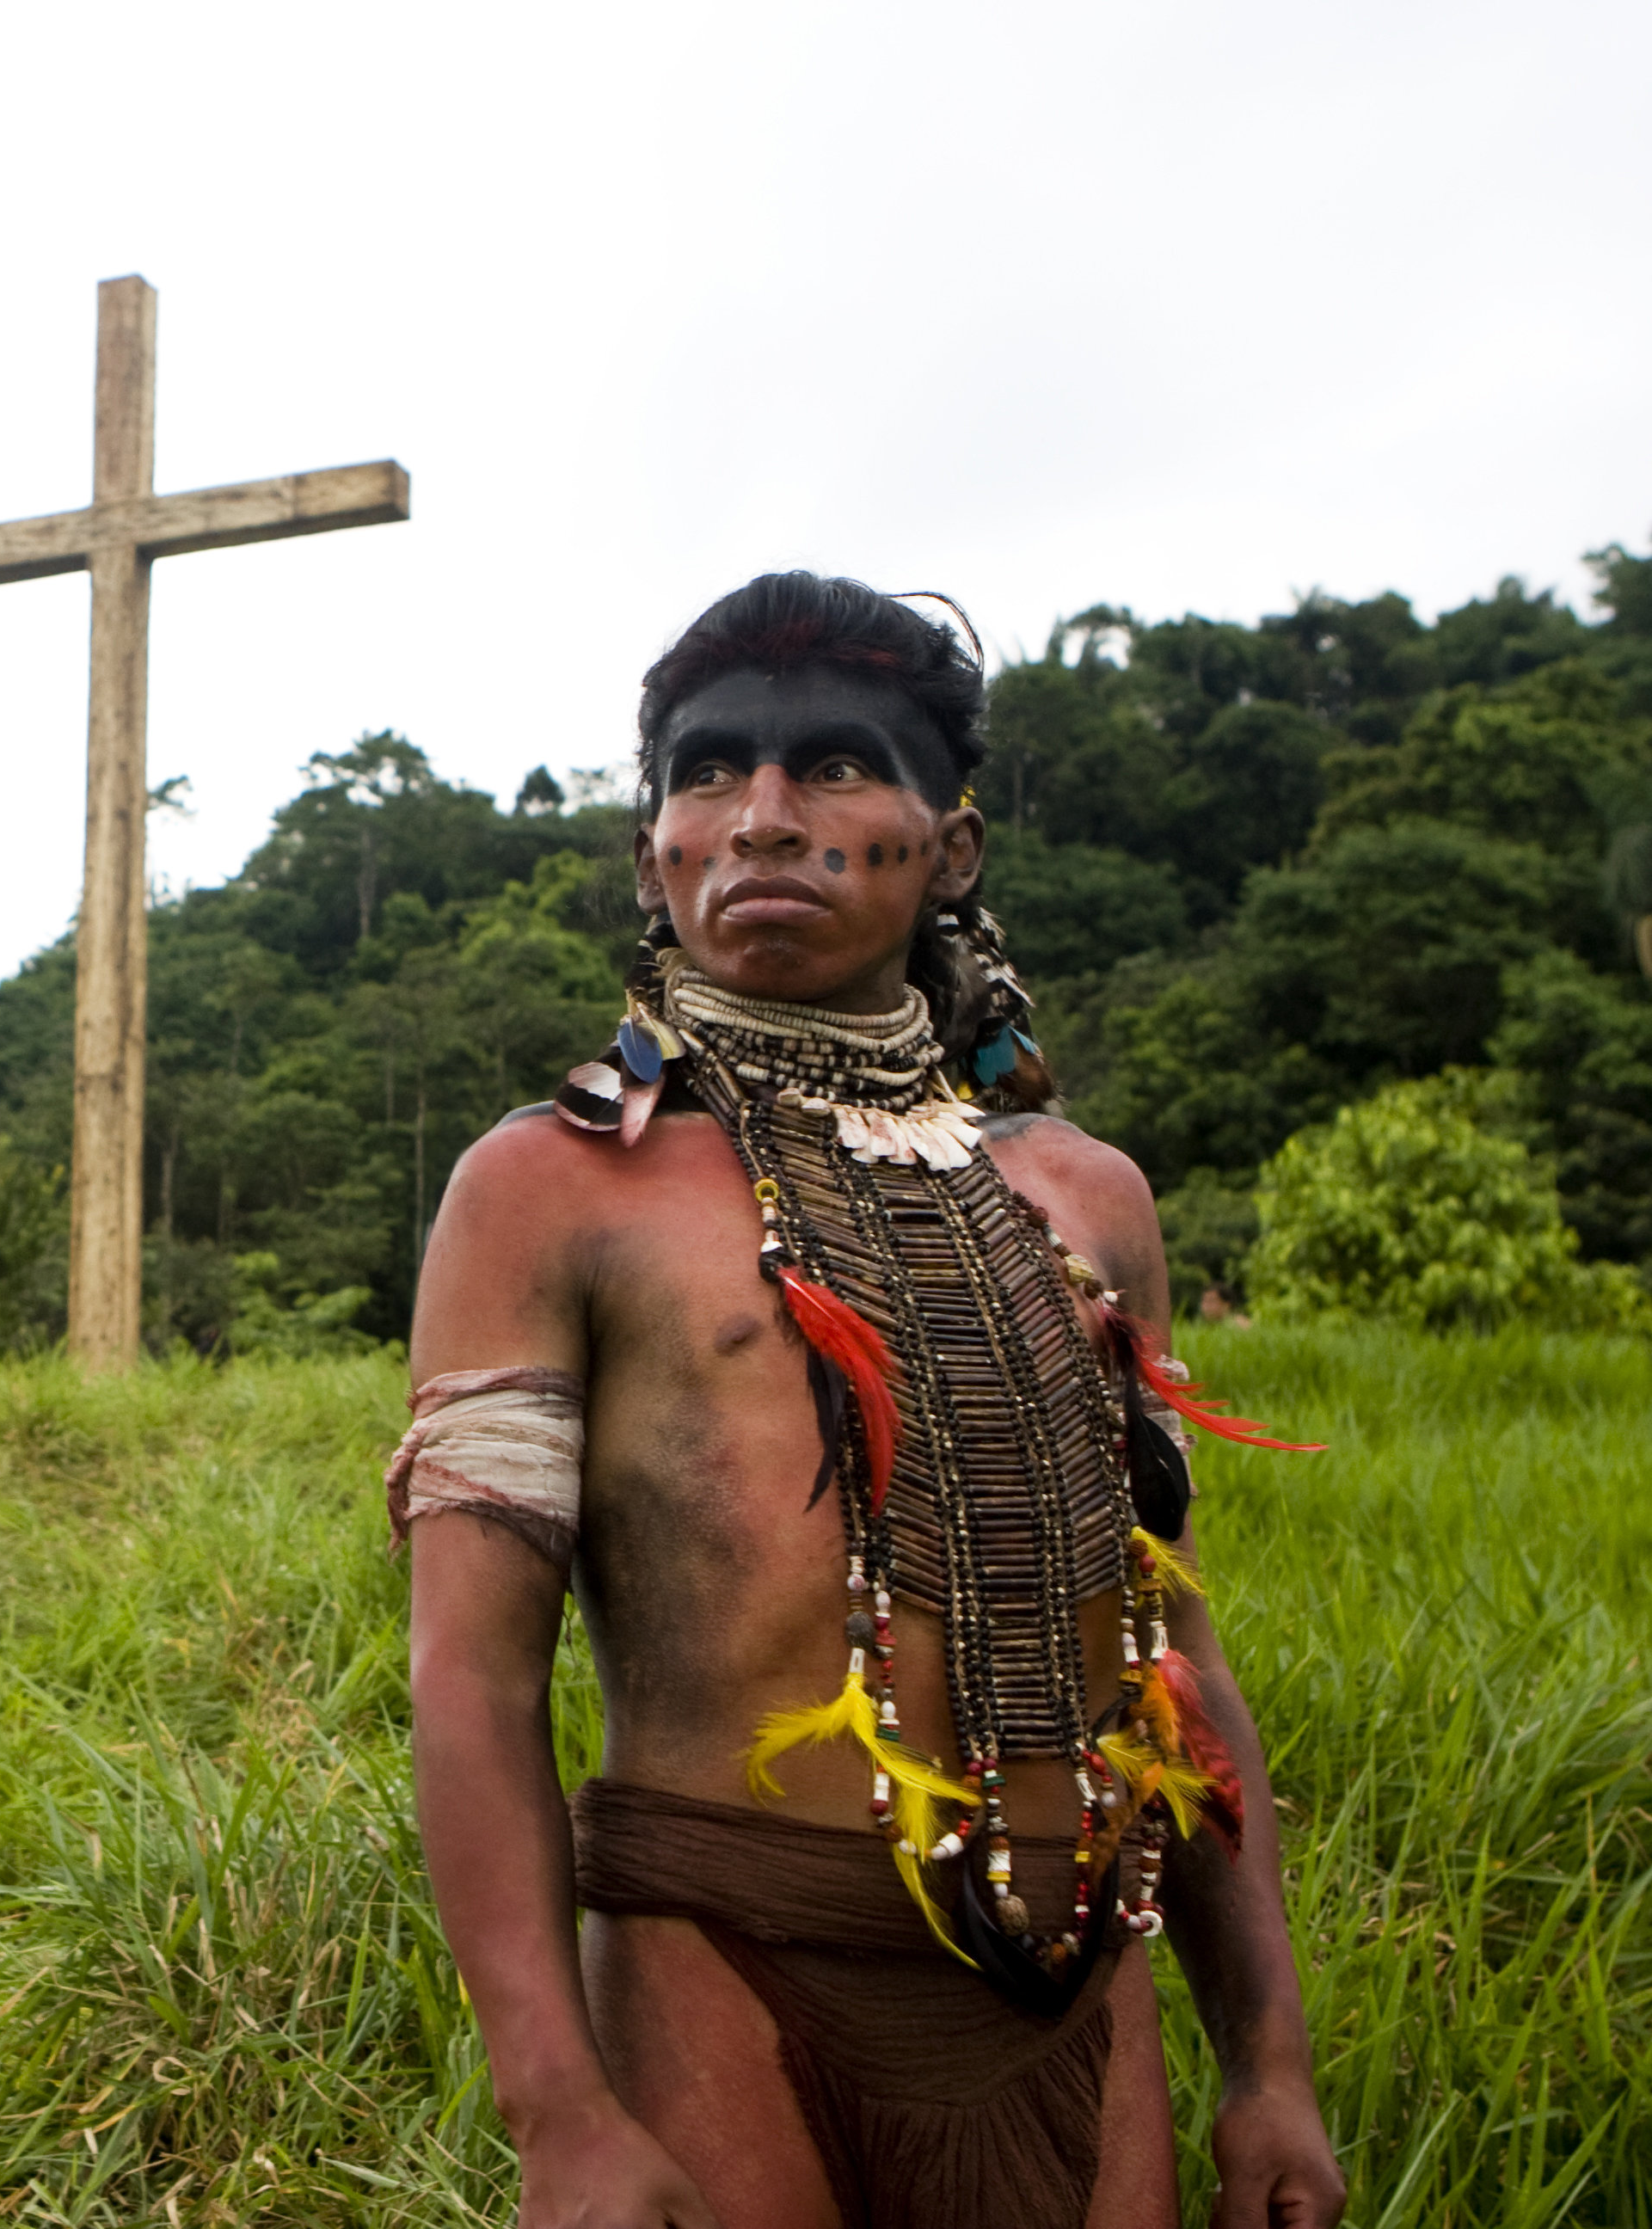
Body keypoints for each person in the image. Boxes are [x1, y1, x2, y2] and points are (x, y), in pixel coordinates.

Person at [397, 575, 1347, 2229]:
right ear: (651, 855)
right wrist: (557, 2107)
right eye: (707, 776)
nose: (763, 817)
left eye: (834, 768)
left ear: (953, 848)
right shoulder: (551, 1188)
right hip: (724, 1963)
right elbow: (472, 1674)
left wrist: (1268, 2067)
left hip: (1076, 1970)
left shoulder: (1090, 1197)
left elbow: (1173, 1659)